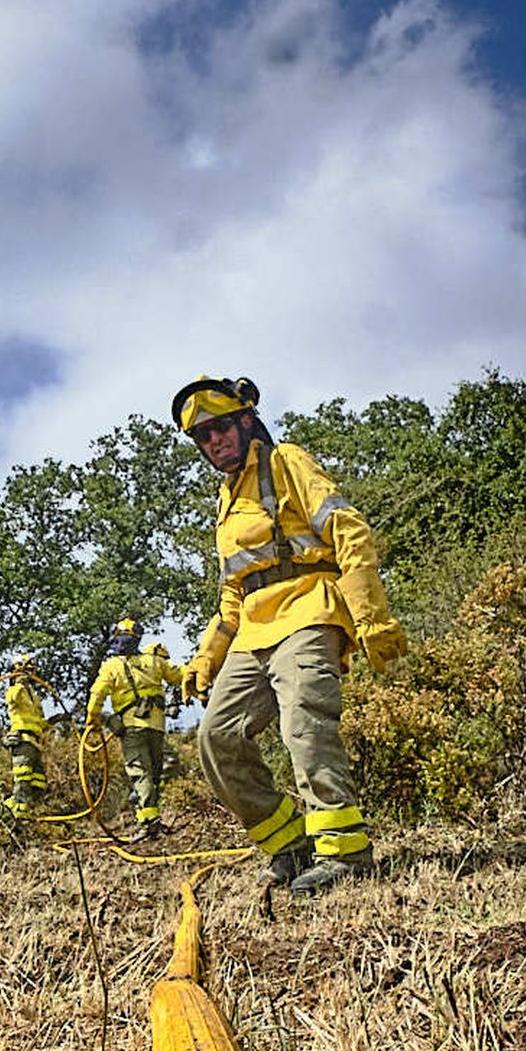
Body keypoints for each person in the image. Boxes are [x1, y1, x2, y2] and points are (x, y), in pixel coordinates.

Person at [172, 376, 406, 896]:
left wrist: (371, 616)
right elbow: (231, 591)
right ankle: (290, 845)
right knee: (217, 738)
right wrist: (207, 656)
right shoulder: (225, 501)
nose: (214, 442)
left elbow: (348, 529)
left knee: (304, 723)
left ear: (247, 420)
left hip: (307, 609)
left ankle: (346, 853)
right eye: (203, 437)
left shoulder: (286, 463)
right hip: (252, 629)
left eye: (220, 429)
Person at [83, 616, 182, 835]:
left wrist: (93, 720)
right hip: (156, 726)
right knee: (155, 773)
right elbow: (180, 675)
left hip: (131, 728)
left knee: (141, 772)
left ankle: (148, 822)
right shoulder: (154, 661)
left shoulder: (111, 666)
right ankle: (147, 816)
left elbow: (97, 695)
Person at [5, 651, 50, 821]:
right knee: (22, 782)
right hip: (22, 742)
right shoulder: (14, 690)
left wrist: (55, 720)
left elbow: (40, 723)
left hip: (35, 744)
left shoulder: (35, 697)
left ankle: (32, 814)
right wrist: (18, 682)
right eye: (26, 670)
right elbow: (12, 698)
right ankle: (13, 818)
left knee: (38, 783)